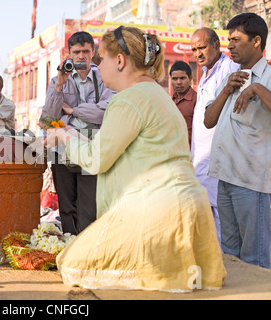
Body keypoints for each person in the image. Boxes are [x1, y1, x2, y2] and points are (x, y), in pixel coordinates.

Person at [47, 26, 225, 291]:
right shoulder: (158, 96)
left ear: (119, 61)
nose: (99, 66)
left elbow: (97, 160)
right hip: (188, 213)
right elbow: (110, 147)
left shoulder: (128, 100)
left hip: (157, 213)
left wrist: (63, 138)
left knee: (71, 263)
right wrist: (73, 134)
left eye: (102, 59)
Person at [204, 13, 271, 269]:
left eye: (236, 39)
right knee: (230, 256)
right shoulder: (231, 78)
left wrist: (257, 89)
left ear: (256, 41)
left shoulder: (268, 78)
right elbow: (208, 121)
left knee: (256, 258)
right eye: (228, 39)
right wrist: (226, 90)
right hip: (225, 179)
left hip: (252, 184)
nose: (229, 45)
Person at [41, 31, 115, 235]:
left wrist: (73, 111)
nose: (81, 56)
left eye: (85, 51)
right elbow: (48, 118)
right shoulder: (59, 79)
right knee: (66, 207)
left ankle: (85, 253)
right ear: (69, 53)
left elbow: (106, 111)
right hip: (62, 150)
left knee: (88, 207)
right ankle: (69, 249)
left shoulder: (104, 77)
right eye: (76, 52)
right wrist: (58, 86)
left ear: (93, 52)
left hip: (91, 148)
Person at [190, 27, 239, 243]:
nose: (197, 54)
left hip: (218, 162)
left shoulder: (230, 69)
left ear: (216, 46)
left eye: (202, 47)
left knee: (220, 227)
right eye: (194, 50)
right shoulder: (206, 73)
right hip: (200, 162)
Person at [170, 61, 197, 146]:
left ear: (190, 78)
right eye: (174, 79)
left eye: (182, 78)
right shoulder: (170, 101)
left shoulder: (197, 100)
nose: (178, 82)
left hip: (191, 153)